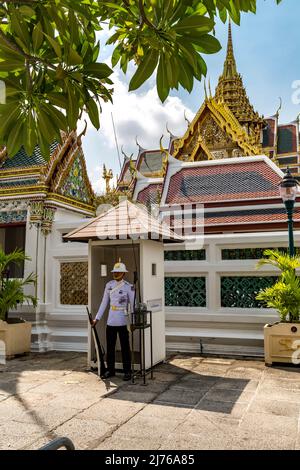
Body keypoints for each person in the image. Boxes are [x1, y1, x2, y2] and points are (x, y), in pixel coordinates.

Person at [92, 260, 135, 381]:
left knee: (125, 347)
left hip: (123, 319)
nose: (116, 274)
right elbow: (104, 303)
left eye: (119, 272)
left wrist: (133, 321)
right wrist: (97, 318)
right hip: (111, 320)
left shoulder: (129, 287)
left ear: (123, 273)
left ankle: (127, 371)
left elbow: (133, 305)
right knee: (110, 347)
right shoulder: (109, 285)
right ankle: (110, 370)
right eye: (115, 271)